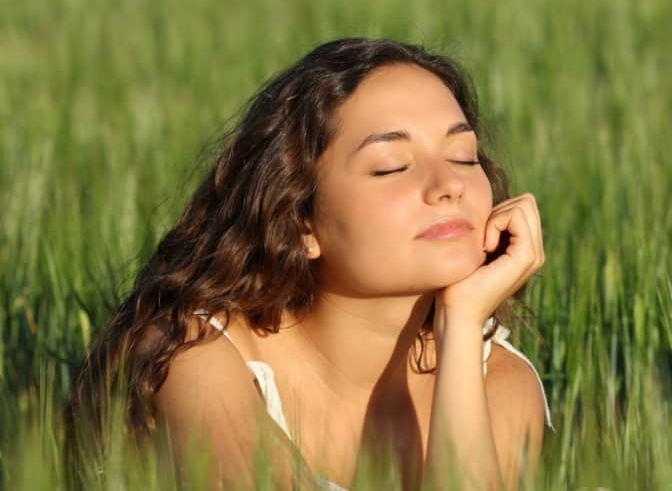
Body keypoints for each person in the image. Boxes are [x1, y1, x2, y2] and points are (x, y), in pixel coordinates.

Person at [67, 38, 553, 491]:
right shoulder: (195, 355)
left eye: (464, 156)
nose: (448, 184)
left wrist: (462, 323)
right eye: (391, 166)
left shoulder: (500, 383)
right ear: (301, 221)